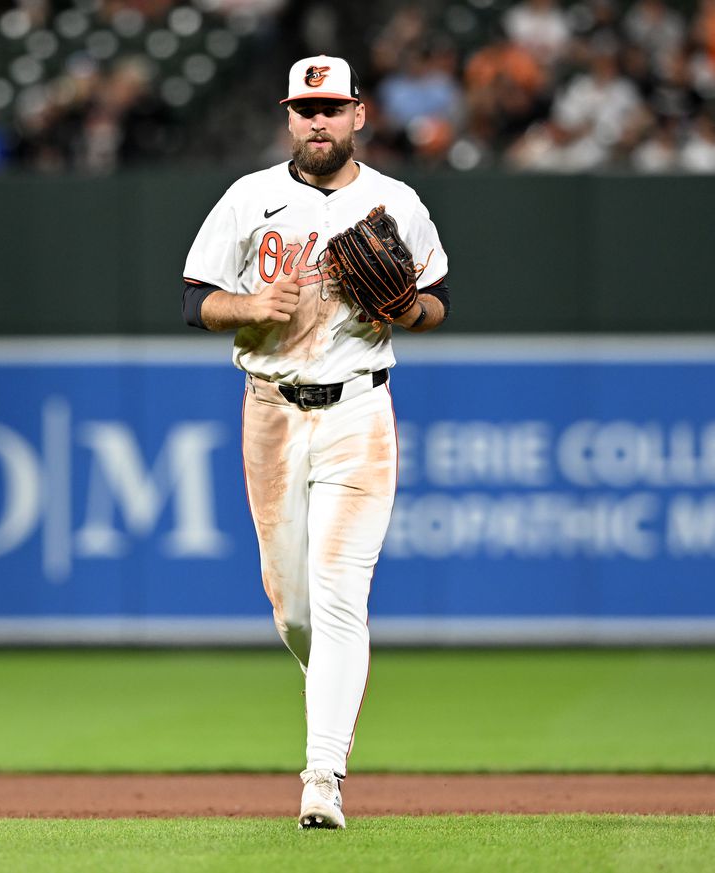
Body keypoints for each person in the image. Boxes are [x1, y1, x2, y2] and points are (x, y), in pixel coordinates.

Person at [181, 55, 451, 829]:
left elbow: (435, 301)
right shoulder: (249, 197)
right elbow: (198, 300)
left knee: (339, 596)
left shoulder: (394, 201)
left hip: (358, 412)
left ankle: (321, 777)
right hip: (269, 410)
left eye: (332, 106)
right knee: (293, 604)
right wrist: (248, 304)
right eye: (307, 108)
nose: (319, 120)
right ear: (290, 116)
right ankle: (337, 678)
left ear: (359, 114)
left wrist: (408, 310)